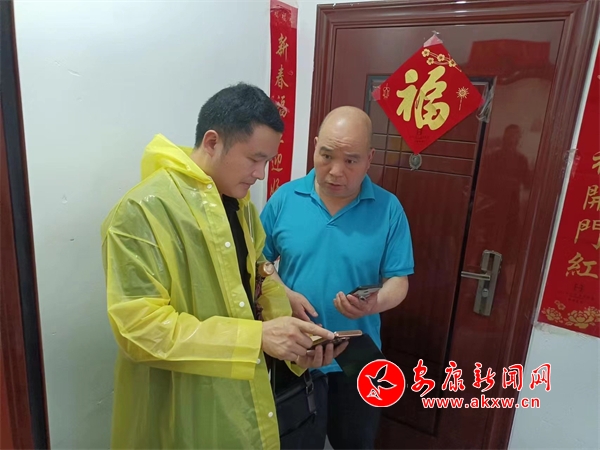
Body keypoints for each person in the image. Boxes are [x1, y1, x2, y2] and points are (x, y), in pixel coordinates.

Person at [101, 83, 344, 449]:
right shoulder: (142, 212)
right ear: (213, 142)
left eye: (267, 161)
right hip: (181, 407)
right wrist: (256, 338)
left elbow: (261, 284)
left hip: (240, 400)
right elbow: (140, 329)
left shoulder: (240, 206)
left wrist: (297, 349)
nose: (261, 173)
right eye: (254, 159)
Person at [260, 106, 414, 449]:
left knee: (356, 442)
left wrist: (375, 302)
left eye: (350, 160)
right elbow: (258, 262)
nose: (335, 171)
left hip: (359, 353)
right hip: (297, 347)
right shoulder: (285, 198)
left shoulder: (388, 209)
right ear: (315, 146)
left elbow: (399, 280)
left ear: (369, 158)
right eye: (326, 155)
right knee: (294, 443)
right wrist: (284, 293)